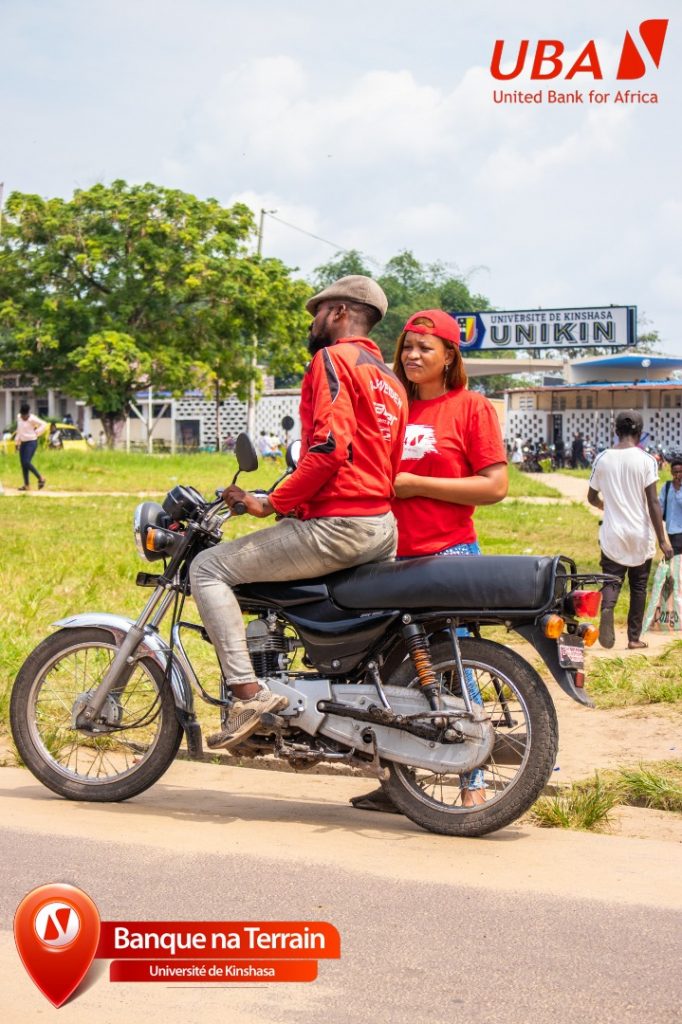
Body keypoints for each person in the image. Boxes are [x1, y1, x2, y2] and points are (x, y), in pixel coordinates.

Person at [189, 275, 407, 749]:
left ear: (341, 313)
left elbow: (329, 450)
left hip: (342, 524)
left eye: (319, 311)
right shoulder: (391, 379)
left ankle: (247, 694)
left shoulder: (332, 360)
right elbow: (378, 460)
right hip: (380, 525)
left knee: (208, 569)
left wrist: (271, 503)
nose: (313, 321)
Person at [350, 309, 508, 813]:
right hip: (388, 556)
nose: (413, 356)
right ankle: (400, 782)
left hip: (449, 553)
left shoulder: (471, 407)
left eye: (426, 347)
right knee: (389, 674)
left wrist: (418, 484)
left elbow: (494, 486)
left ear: (449, 356)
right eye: (408, 347)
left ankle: (472, 780)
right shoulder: (391, 407)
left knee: (455, 671)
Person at [588, 410, 673, 650]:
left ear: (615, 430)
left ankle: (607, 607)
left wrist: (607, 506)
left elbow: (591, 497)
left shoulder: (602, 458)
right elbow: (654, 503)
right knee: (638, 586)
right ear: (639, 432)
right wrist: (663, 540)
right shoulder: (646, 460)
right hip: (640, 532)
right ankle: (634, 639)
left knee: (612, 580)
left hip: (613, 533)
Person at [15, 403, 47, 491]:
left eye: (25, 416)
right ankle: (26, 485)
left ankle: (40, 477)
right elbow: (19, 430)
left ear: (28, 414)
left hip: (31, 442)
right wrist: (16, 442)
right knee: (23, 465)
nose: (23, 417)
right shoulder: (19, 417)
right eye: (22, 415)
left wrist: (37, 432)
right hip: (23, 443)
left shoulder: (32, 418)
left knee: (26, 462)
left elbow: (44, 424)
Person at [659, 458, 682, 556]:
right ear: (671, 472)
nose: (678, 474)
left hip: (680, 530)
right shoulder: (667, 486)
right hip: (669, 529)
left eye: (680, 471)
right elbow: (660, 504)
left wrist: (678, 489)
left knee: (674, 556)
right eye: (675, 472)